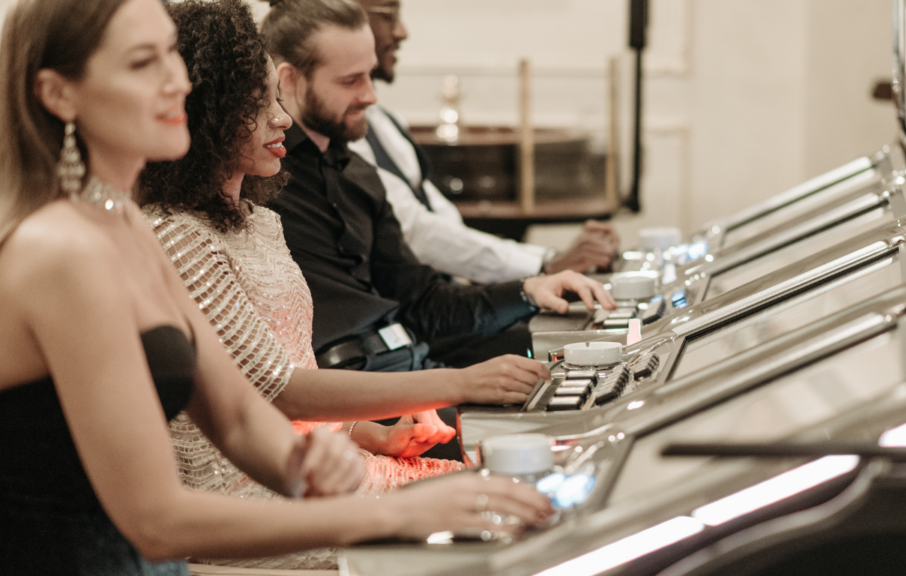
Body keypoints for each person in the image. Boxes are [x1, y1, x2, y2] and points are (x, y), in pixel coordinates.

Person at [0, 0, 552, 573]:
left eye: (172, 53)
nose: (178, 81)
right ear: (59, 94)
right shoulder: (59, 251)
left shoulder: (125, 224)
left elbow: (239, 417)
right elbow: (155, 522)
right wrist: (391, 513)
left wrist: (313, 460)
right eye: (144, 62)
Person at [259, 0, 617, 373]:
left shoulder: (358, 172)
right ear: (289, 80)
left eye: (368, 75)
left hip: (407, 367)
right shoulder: (262, 182)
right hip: (349, 402)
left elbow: (422, 302)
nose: (370, 96)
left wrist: (529, 291)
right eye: (351, 81)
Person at [349, 0, 620, 284]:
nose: (402, 32)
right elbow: (413, 230)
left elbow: (443, 221)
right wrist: (544, 265)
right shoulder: (340, 132)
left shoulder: (387, 121)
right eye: (389, 14)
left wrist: (547, 260)